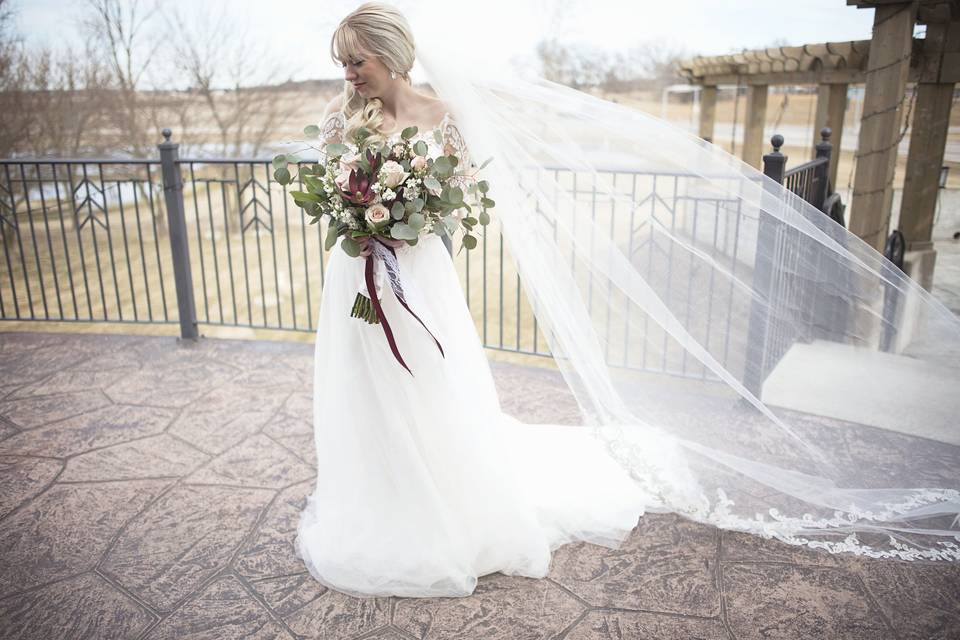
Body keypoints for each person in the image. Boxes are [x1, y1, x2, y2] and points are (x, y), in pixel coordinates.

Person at [296, 2, 960, 599]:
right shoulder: (339, 116)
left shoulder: (444, 117)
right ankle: (379, 495)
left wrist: (407, 208)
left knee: (428, 381)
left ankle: (441, 493)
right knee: (365, 379)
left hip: (418, 272)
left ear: (393, 55)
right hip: (353, 272)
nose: (348, 74)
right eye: (342, 63)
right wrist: (359, 216)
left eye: (356, 61)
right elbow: (329, 182)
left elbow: (461, 193)